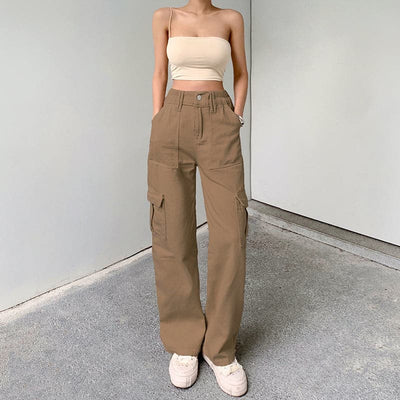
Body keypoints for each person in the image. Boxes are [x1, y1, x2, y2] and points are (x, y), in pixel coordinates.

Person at [147, 1, 249, 396]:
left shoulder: (231, 18)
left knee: (230, 235)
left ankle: (221, 350)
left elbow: (241, 73)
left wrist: (235, 116)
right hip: (172, 118)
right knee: (171, 233)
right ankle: (184, 343)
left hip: (220, 118)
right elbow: (160, 72)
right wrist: (159, 117)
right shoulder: (165, 17)